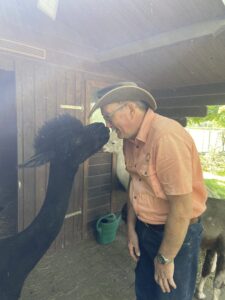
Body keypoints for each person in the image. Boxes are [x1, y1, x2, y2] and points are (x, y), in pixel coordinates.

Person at [89, 82, 207, 300]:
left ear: (131, 109)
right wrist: (132, 229)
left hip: (177, 236)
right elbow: (136, 185)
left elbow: (182, 208)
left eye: (108, 117)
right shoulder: (129, 140)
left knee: (171, 296)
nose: (107, 125)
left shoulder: (166, 137)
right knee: (145, 293)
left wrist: (166, 258)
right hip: (146, 231)